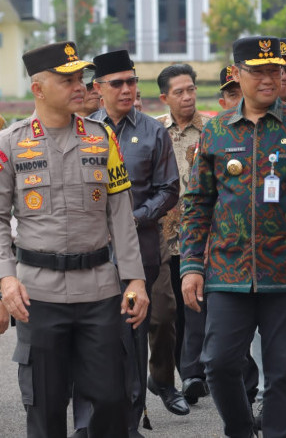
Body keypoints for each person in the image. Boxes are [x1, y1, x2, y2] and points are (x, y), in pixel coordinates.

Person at [180, 36, 286, 438]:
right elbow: (198, 201)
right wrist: (190, 265)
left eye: (276, 70)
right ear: (237, 75)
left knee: (283, 372)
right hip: (227, 271)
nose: (270, 79)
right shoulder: (217, 131)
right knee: (218, 364)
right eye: (258, 71)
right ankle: (239, 430)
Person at [0, 41, 149, 437]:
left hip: (98, 290)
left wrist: (135, 279)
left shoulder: (103, 139)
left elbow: (120, 215)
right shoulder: (10, 143)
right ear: (38, 88)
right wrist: (6, 279)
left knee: (110, 400)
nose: (79, 85)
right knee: (45, 406)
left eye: (80, 77)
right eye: (66, 80)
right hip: (38, 295)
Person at [88, 49, 180, 436]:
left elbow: (169, 189)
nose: (127, 89)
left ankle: (132, 418)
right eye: (117, 83)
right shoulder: (84, 130)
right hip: (90, 254)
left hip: (140, 249)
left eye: (132, 81)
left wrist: (131, 219)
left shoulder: (153, 131)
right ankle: (96, 417)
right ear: (98, 88)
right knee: (97, 339)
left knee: (137, 332)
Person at [153, 63, 211, 412]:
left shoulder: (214, 129)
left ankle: (193, 374)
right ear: (165, 97)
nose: (188, 96)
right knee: (170, 310)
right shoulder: (154, 131)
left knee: (198, 306)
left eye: (191, 89)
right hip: (163, 237)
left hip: (203, 236)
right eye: (179, 92)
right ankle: (181, 371)